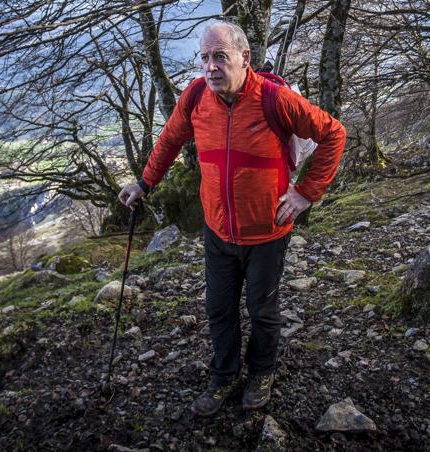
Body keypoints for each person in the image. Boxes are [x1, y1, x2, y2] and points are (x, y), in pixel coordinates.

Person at [118, 22, 346, 416]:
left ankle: (261, 372)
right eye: (205, 58)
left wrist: (305, 193)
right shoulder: (195, 98)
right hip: (217, 230)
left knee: (263, 310)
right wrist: (144, 183)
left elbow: (333, 134)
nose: (210, 67)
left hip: (267, 232)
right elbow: (171, 139)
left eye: (220, 56)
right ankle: (224, 377)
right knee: (219, 309)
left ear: (245, 59)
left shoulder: (275, 99)